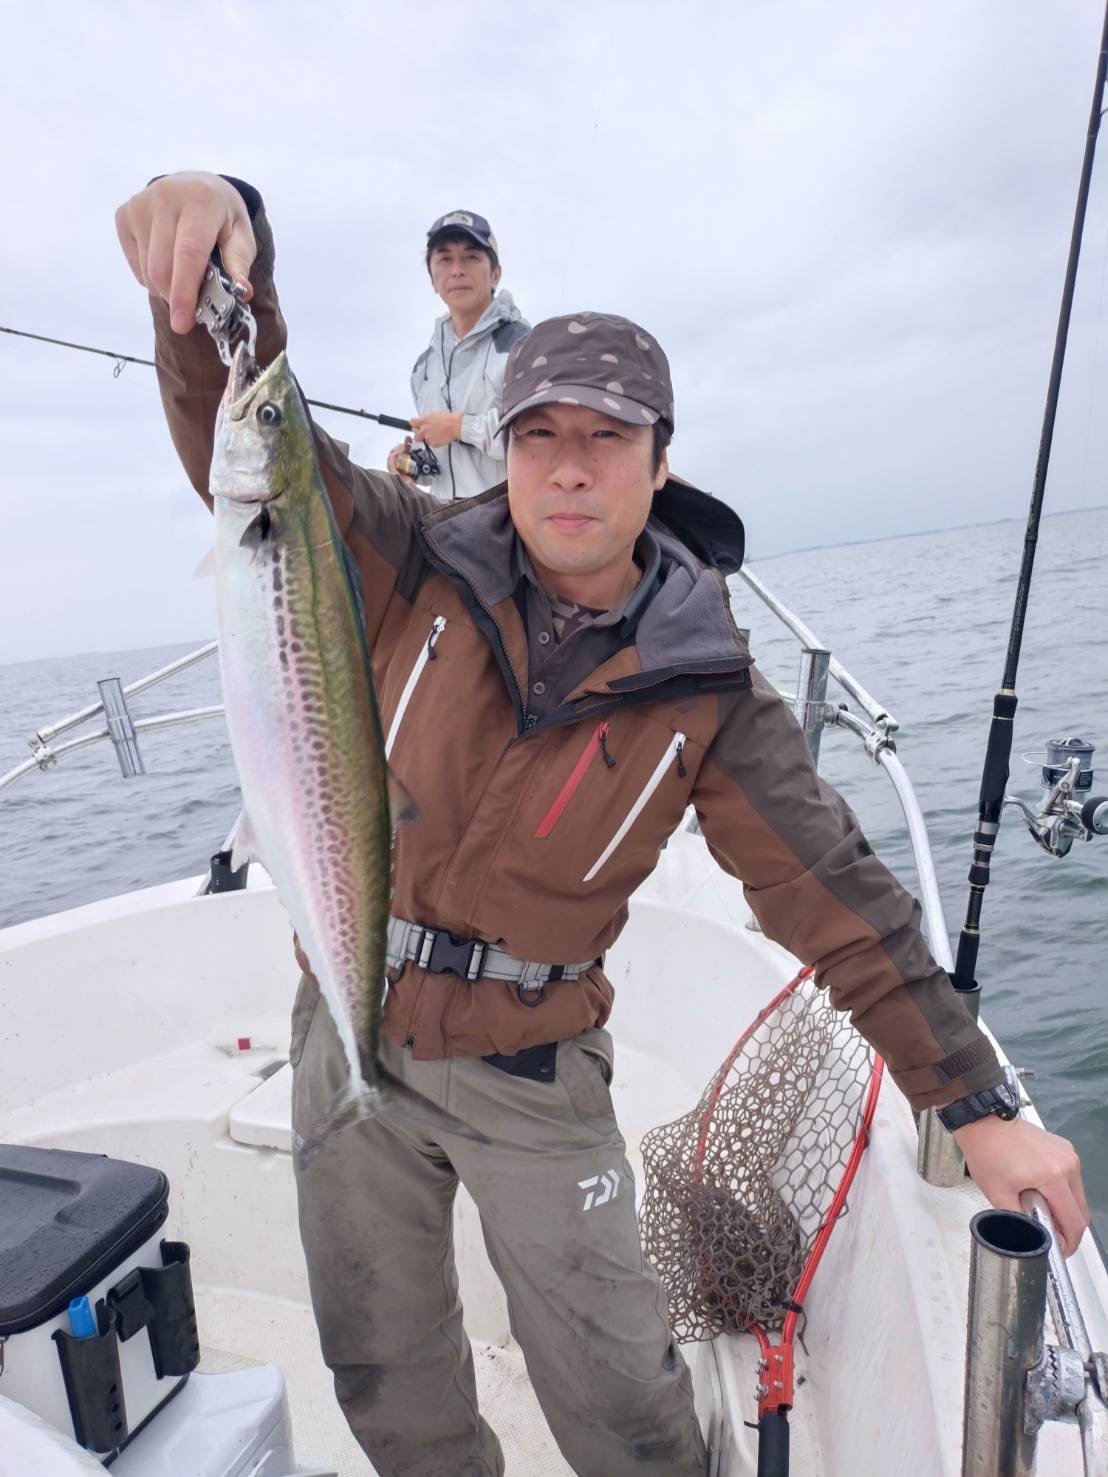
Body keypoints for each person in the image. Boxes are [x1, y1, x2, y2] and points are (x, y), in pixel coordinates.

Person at [116, 172, 1090, 1477]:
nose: (568, 466)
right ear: (504, 448)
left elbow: (836, 893)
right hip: (346, 1014)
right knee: (383, 1374)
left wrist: (972, 1100)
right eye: (537, 435)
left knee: (625, 1408)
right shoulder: (408, 556)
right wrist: (215, 277)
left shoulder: (708, 687)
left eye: (606, 436)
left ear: (659, 459)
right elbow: (260, 471)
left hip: (534, 1067)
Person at [386, 209, 530, 500]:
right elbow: (442, 463)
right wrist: (412, 462)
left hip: (509, 516)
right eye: (444, 259)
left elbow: (536, 438)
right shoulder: (424, 368)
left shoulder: (524, 346)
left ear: (495, 274)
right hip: (443, 520)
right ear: (432, 279)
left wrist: (459, 427)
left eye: (471, 257)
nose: (457, 270)